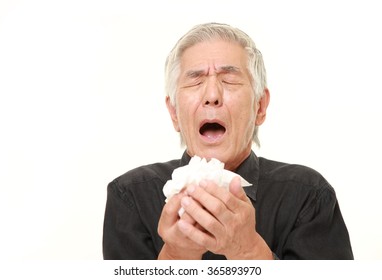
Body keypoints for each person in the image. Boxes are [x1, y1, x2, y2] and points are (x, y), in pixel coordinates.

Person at [102, 22, 353, 260]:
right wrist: (176, 256)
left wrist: (248, 251)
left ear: (260, 107)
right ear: (175, 113)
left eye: (229, 79)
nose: (212, 95)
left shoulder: (309, 197)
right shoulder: (130, 197)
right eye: (196, 80)